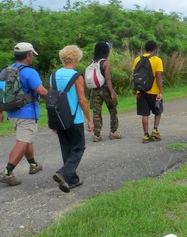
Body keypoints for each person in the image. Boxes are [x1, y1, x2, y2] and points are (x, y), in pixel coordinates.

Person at [0, 42, 48, 186]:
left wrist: (0, 111)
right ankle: (7, 172)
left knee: (26, 139)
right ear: (28, 55)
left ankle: (33, 165)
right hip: (27, 113)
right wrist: (55, 100)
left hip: (12, 112)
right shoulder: (29, 72)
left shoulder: (6, 70)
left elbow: (1, 93)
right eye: (32, 54)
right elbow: (42, 92)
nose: (32, 57)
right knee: (22, 141)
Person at [51, 45, 94, 193]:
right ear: (76, 59)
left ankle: (72, 179)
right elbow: (82, 100)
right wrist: (89, 119)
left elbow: (52, 99)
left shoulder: (53, 76)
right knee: (79, 147)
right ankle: (63, 173)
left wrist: (53, 121)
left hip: (60, 119)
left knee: (66, 148)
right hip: (74, 119)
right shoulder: (77, 76)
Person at [89, 42, 122, 142]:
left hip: (94, 91)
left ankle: (97, 135)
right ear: (105, 51)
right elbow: (107, 78)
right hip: (105, 89)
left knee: (96, 113)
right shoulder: (106, 63)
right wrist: (112, 92)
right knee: (113, 110)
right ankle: (113, 132)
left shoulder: (92, 63)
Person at [132, 40, 164, 143]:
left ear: (145, 49)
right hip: (153, 91)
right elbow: (159, 77)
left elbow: (135, 76)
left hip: (141, 91)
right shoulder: (157, 60)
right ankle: (155, 130)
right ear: (155, 49)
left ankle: (146, 135)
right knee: (158, 111)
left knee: (144, 114)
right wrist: (160, 91)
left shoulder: (137, 59)